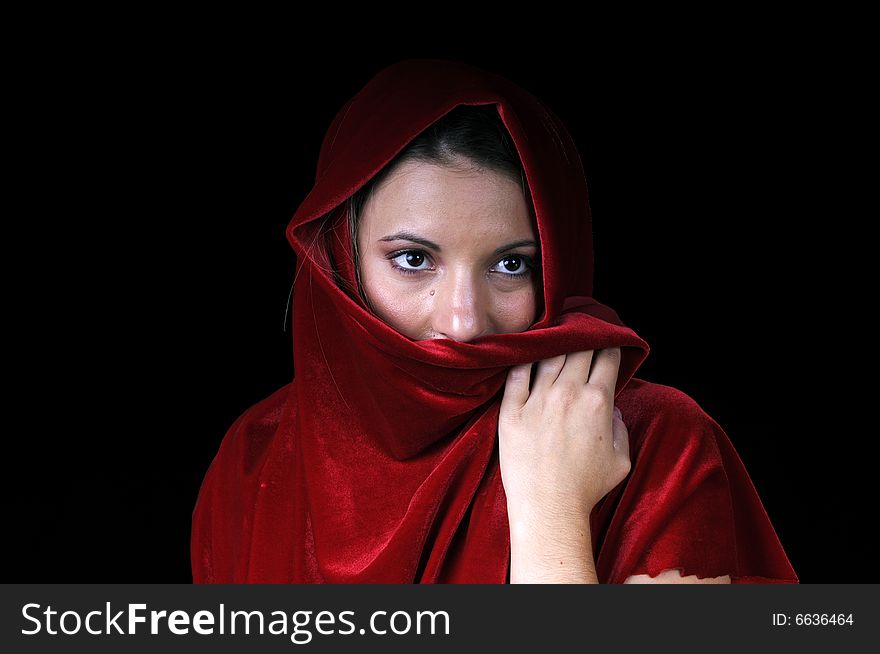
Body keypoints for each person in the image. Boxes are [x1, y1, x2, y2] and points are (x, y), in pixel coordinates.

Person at [191, 58, 798, 584]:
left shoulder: (652, 443)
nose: (462, 321)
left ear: (559, 265)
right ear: (339, 258)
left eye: (511, 264)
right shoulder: (257, 453)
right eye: (413, 259)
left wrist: (552, 514)